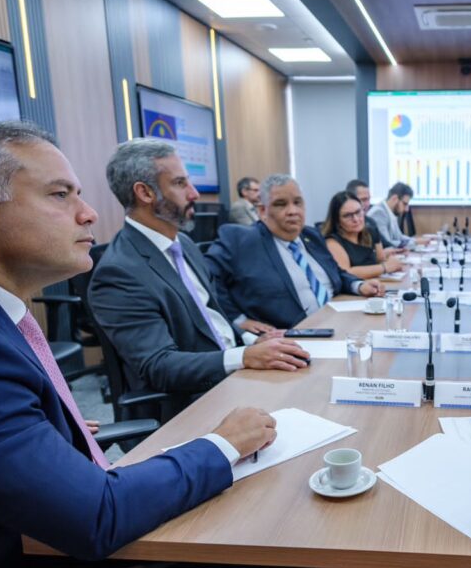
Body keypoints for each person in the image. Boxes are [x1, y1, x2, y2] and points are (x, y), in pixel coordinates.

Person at [0, 121, 312, 568]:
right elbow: (97, 517)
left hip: (13, 534)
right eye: (60, 195)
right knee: (276, 557)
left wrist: (36, 427)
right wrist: (223, 443)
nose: (88, 214)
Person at [89, 140, 310, 411]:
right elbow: (159, 365)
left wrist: (253, 341)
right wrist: (244, 356)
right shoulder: (119, 272)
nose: (194, 193)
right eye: (181, 184)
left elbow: (210, 321)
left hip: (235, 377)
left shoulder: (185, 245)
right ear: (145, 193)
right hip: (194, 403)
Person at [206, 173, 383, 329]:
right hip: (292, 336)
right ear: (262, 211)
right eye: (281, 204)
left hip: (338, 321)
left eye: (297, 202)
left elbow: (335, 271)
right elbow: (207, 280)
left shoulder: (311, 236)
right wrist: (237, 320)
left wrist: (359, 285)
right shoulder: (241, 239)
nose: (293, 211)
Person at [323, 190, 403, 280]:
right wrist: (385, 268)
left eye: (358, 212)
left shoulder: (370, 231)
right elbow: (346, 273)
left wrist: (391, 261)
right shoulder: (332, 241)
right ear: (337, 220)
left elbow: (380, 259)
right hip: (351, 291)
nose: (356, 219)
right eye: (347, 215)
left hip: (375, 284)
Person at [345, 178, 396, 252]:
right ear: (350, 199)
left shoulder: (369, 222)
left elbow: (387, 245)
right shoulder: (344, 226)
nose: (368, 204)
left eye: (368, 199)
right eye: (363, 200)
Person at [367, 181, 421, 249]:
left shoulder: (390, 212)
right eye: (404, 204)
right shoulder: (379, 213)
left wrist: (416, 241)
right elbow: (387, 243)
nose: (407, 209)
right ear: (394, 198)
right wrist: (415, 243)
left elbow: (399, 237)